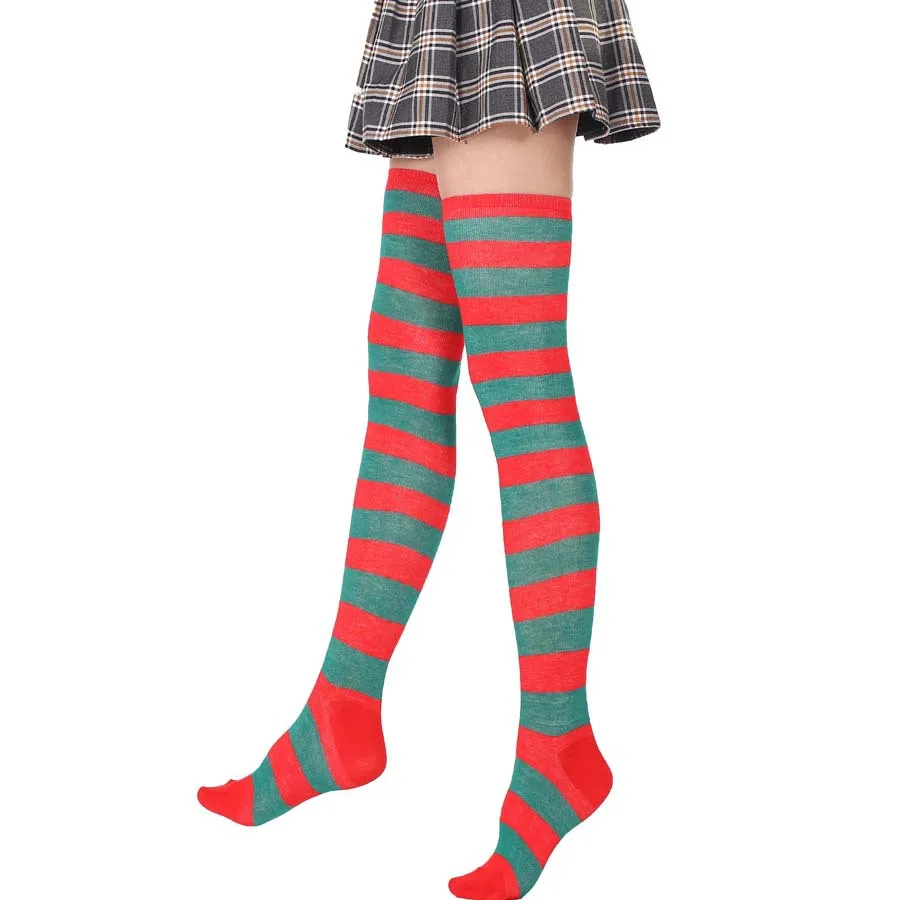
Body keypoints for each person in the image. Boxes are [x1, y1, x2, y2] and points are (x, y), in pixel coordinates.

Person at [198, 2, 659, 897]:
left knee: (522, 384)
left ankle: (557, 742)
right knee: (405, 377)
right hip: (440, 19)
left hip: (507, 16)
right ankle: (341, 705)